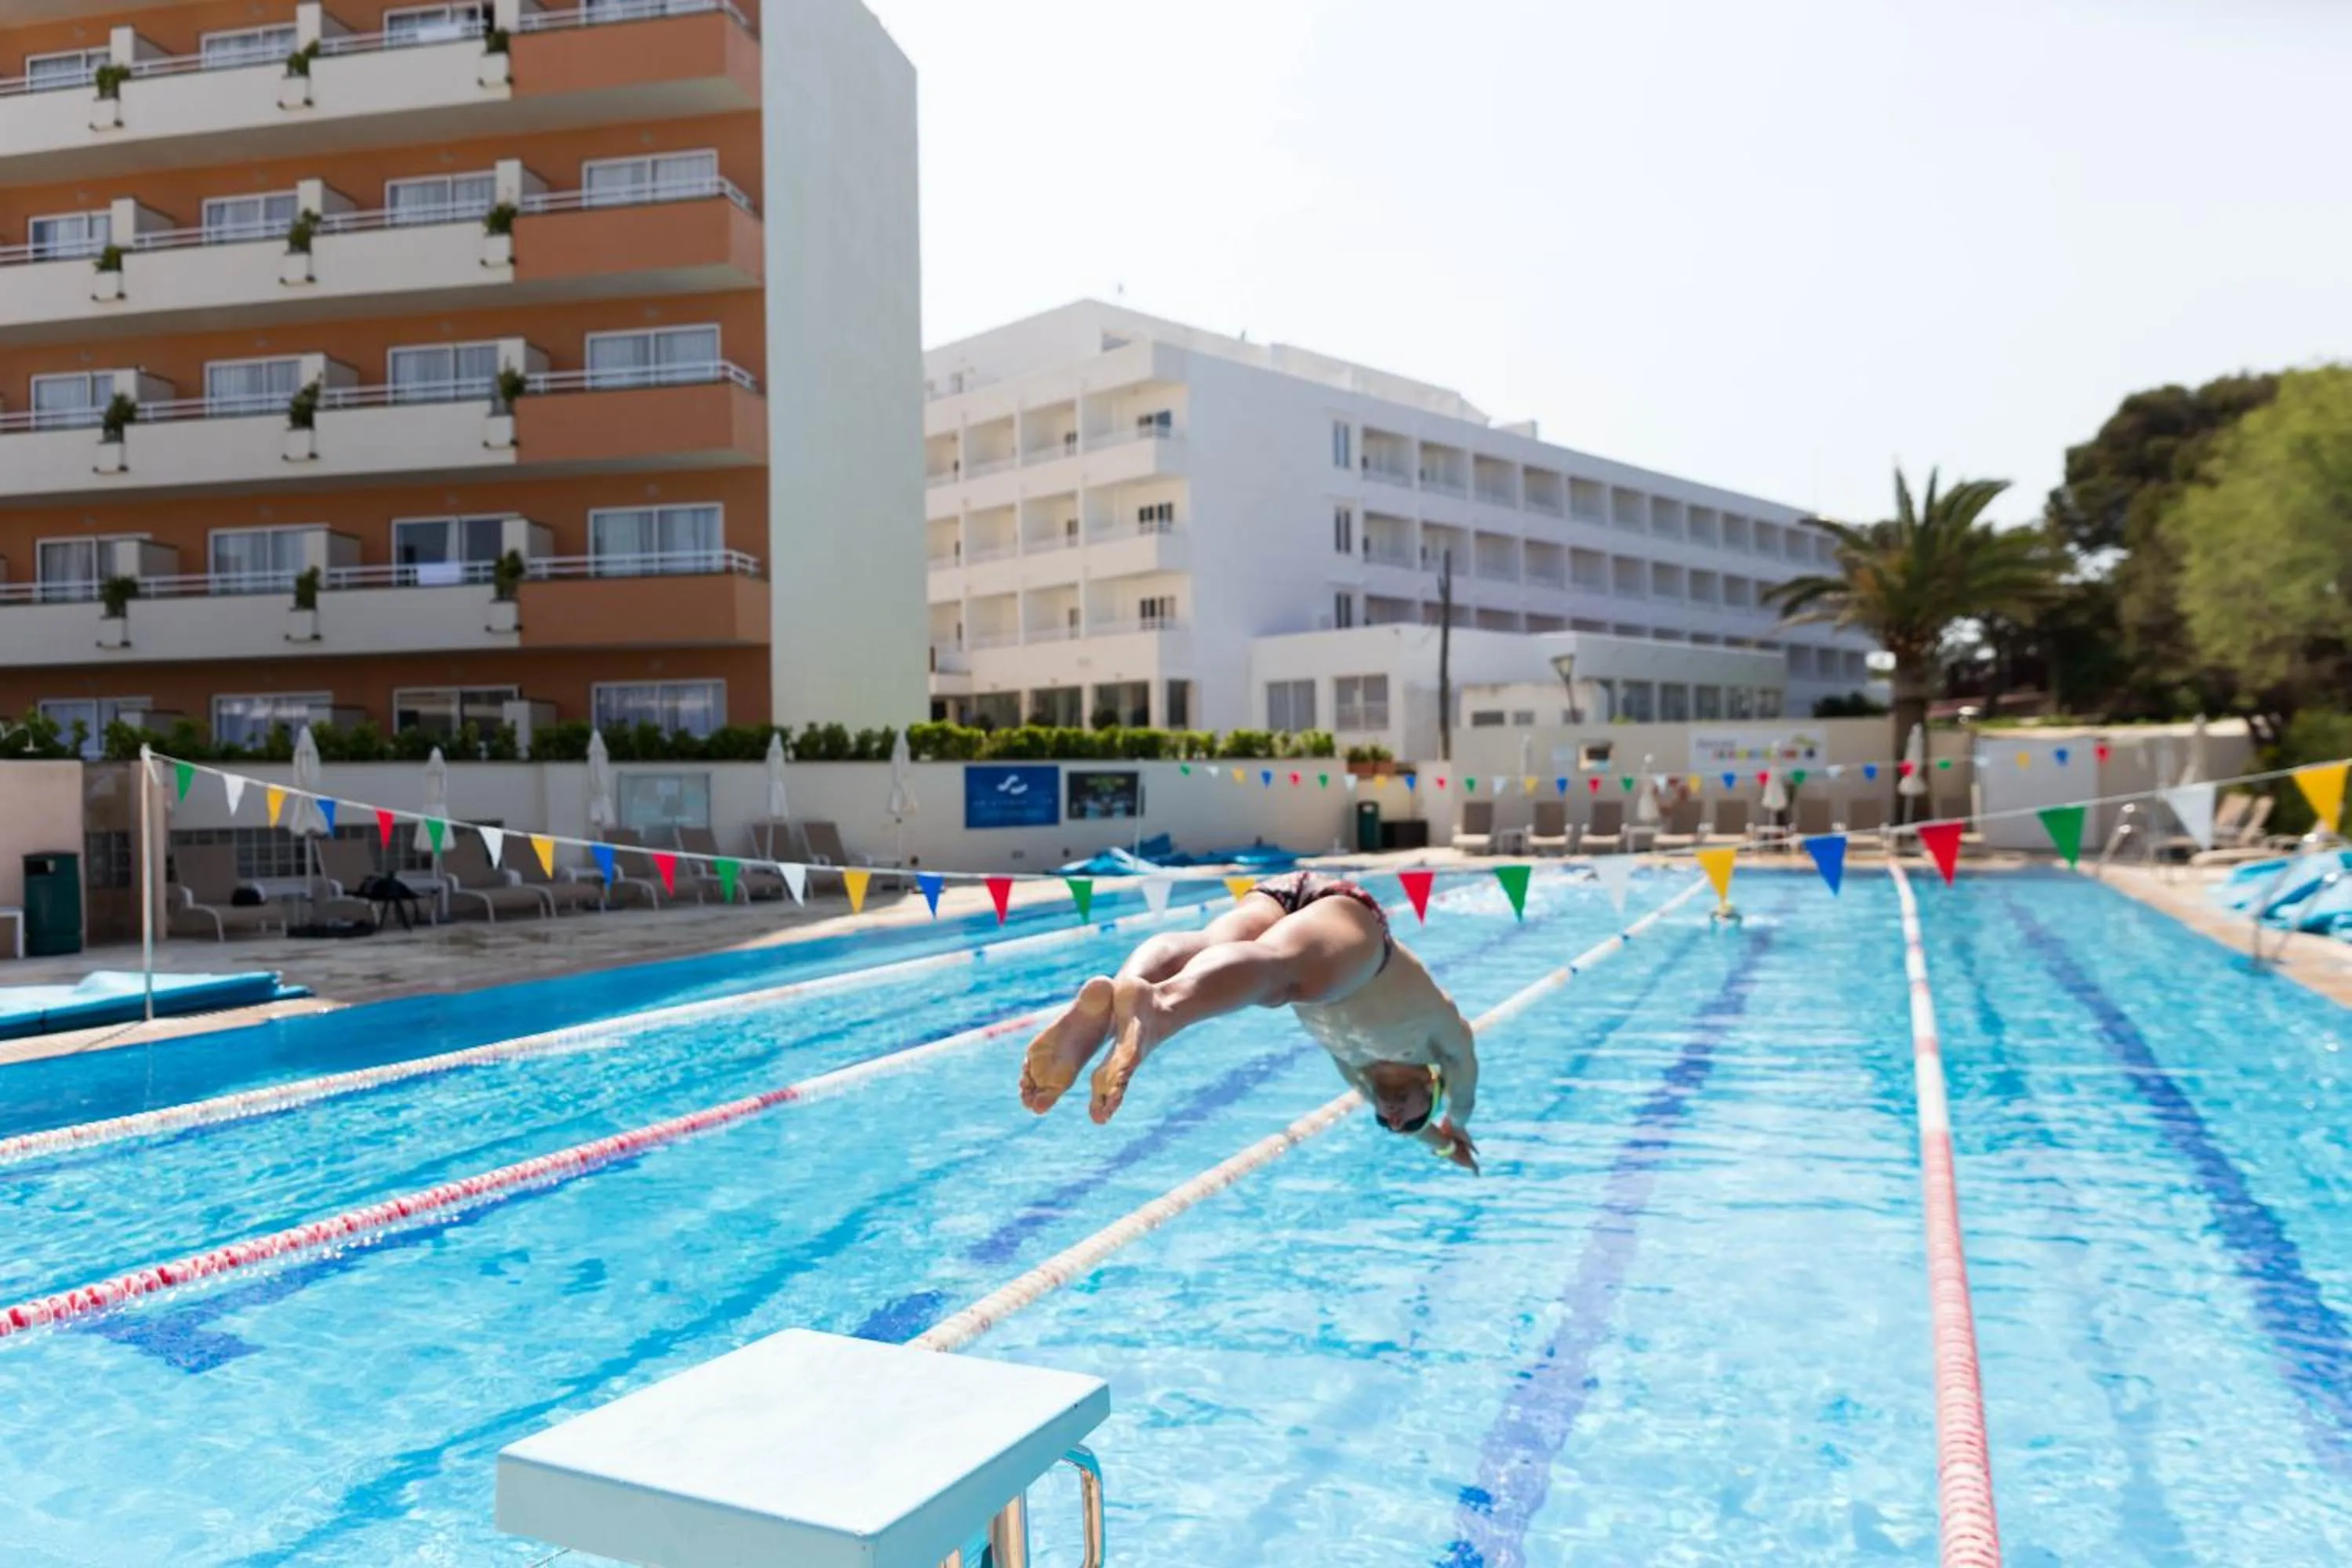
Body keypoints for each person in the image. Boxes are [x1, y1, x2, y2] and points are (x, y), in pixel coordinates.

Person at [1019, 869, 1481, 1171]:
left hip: (1284, 891)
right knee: (1280, 975)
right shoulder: (1442, 1044)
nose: (1394, 1118)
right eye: (1408, 1118)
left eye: (1388, 1124)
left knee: (1205, 945)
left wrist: (1430, 1143)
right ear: (1433, 1089)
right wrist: (1454, 1132)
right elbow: (1463, 1097)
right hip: (1354, 926)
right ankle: (1159, 1010)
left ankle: (1103, 1020)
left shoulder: (1358, 1075)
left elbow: (1415, 1128)